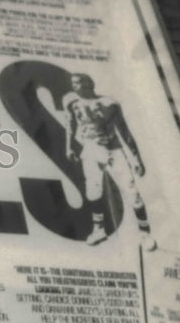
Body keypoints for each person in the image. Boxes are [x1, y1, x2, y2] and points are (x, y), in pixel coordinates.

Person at [64, 73, 156, 251]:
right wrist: (69, 148)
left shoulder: (109, 103)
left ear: (87, 84)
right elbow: (70, 126)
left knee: (131, 191)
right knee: (93, 192)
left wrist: (136, 158)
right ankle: (99, 229)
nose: (74, 87)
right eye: (72, 83)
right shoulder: (73, 104)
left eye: (77, 83)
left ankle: (145, 233)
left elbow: (124, 131)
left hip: (112, 149)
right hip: (90, 150)